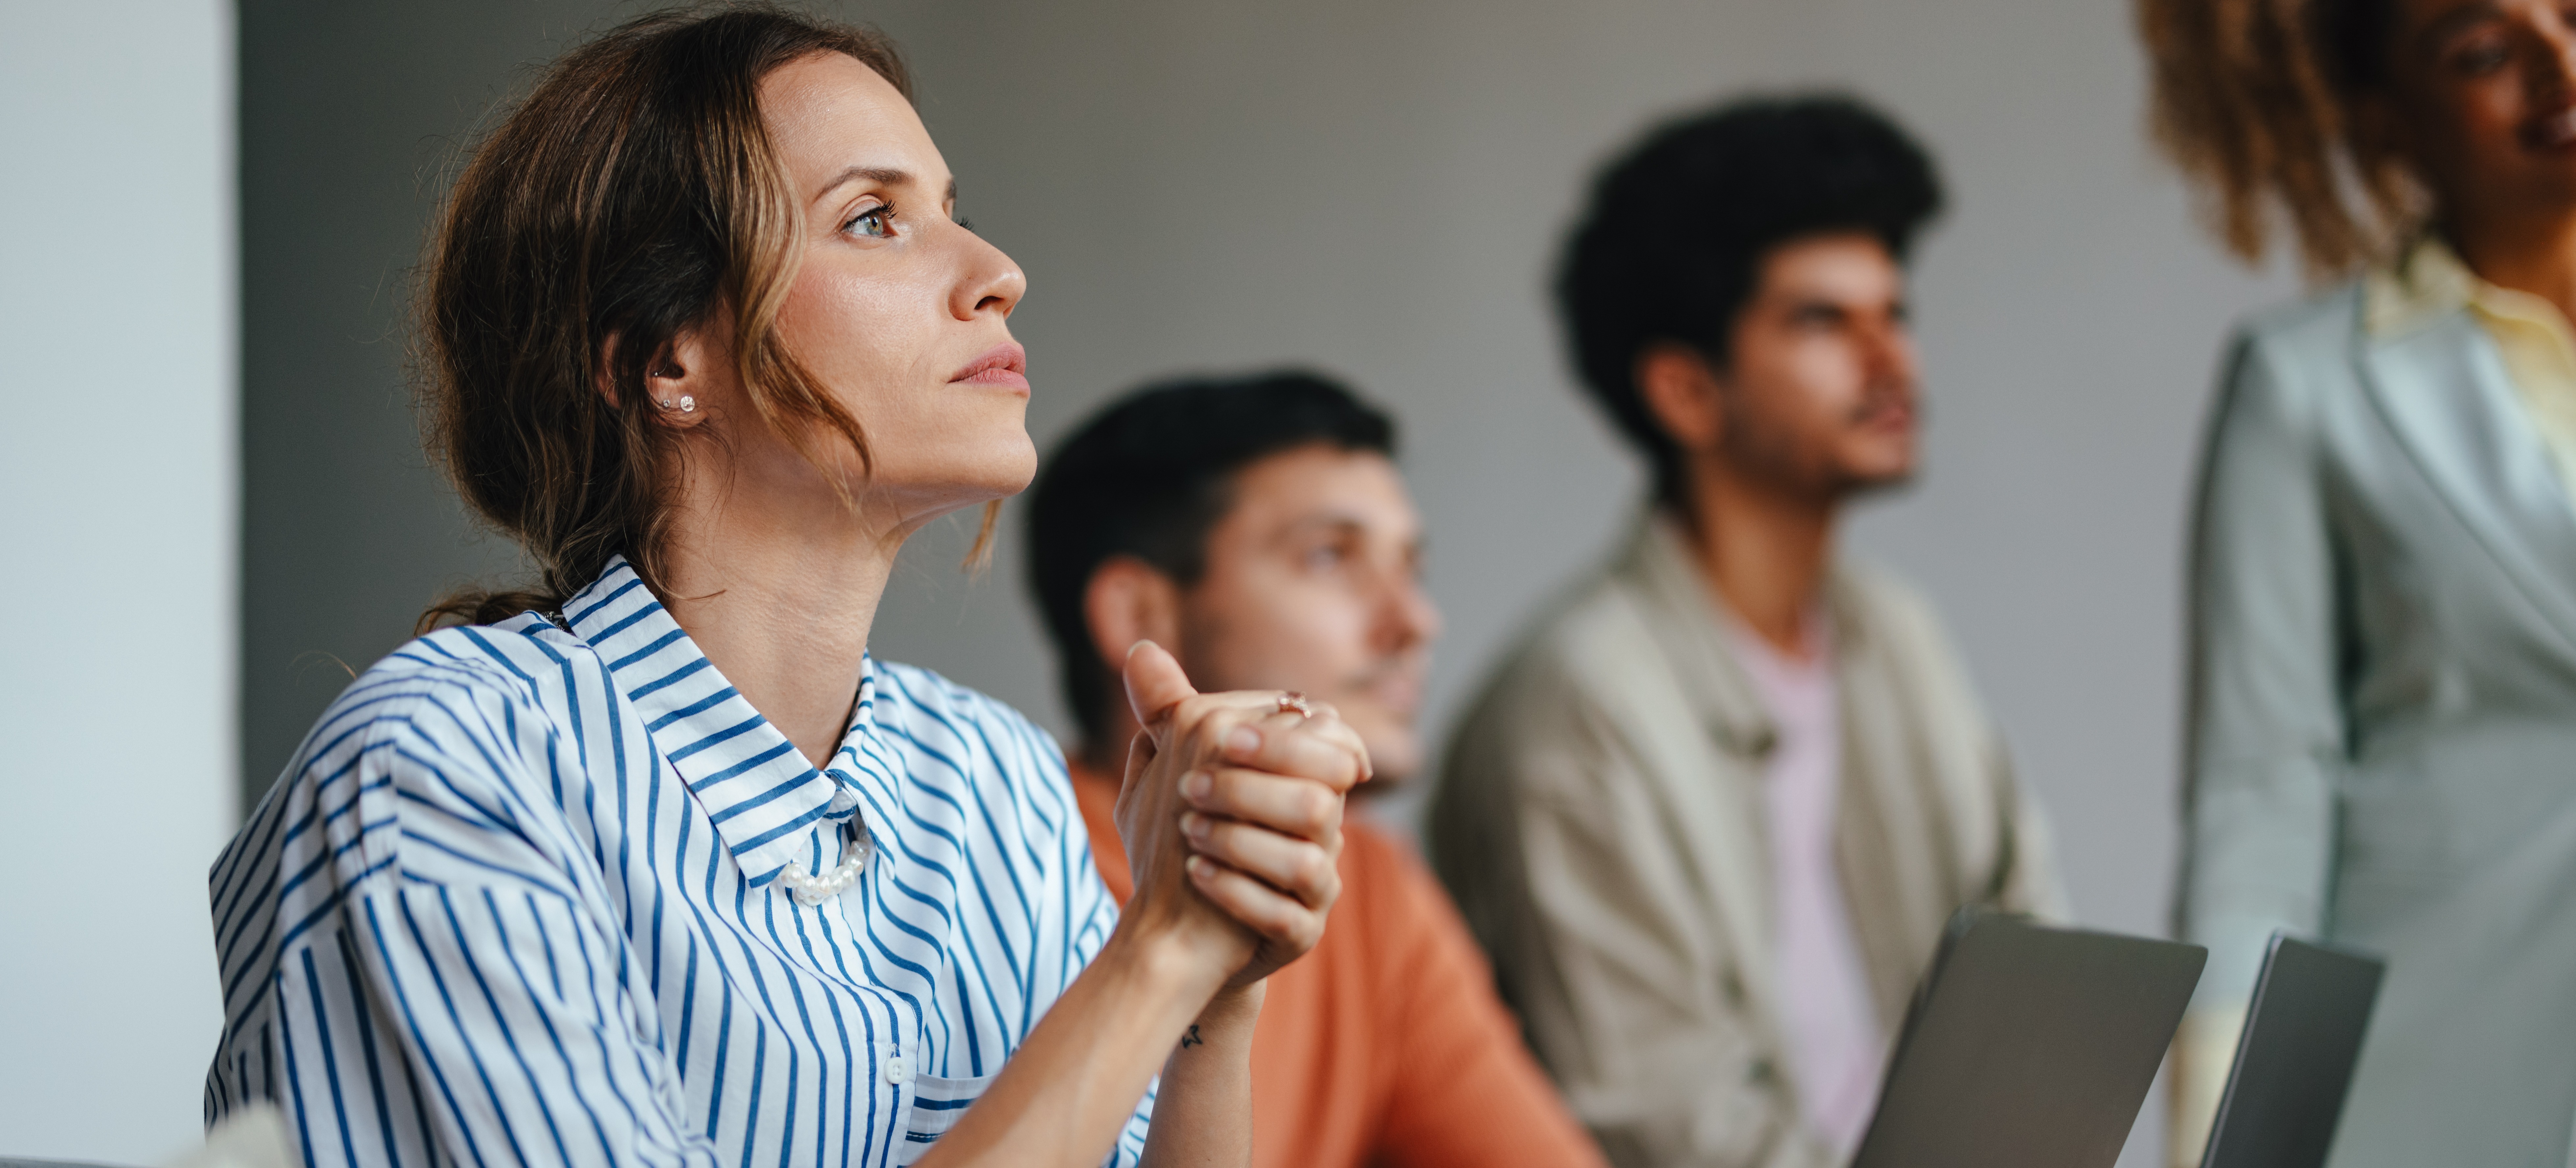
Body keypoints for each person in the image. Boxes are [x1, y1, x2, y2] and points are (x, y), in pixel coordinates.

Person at [201, 9, 1370, 1167]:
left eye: (955, 214)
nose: (999, 274)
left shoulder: (999, 789)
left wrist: (1210, 981)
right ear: (670, 363)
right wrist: (1152, 956)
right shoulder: (443, 769)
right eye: (875, 220)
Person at [1428, 95, 2068, 1168]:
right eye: (1823, 321)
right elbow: (1659, 1122)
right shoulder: (1575, 709)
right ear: (1685, 391)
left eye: (1894, 313)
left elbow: (2045, 983)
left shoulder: (1894, 638)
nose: (1889, 358)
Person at [2143, 0, 2576, 1163]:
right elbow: (2264, 790)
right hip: (2442, 1071)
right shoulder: (2304, 388)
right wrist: (2220, 1130)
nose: (2558, 65)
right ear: (2387, 122)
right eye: (2484, 52)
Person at [1023, 371, 1609, 1168]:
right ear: (1139, 616)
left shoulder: (1367, 883)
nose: (1415, 622)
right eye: (1331, 556)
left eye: (1411, 567)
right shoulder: (994, 872)